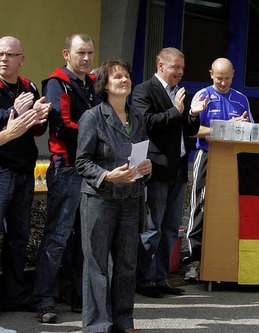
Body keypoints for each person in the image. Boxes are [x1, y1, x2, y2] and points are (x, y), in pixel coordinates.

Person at [76, 59, 152, 333]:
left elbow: (143, 157)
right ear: (104, 85)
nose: (124, 80)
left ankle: (123, 320)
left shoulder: (138, 118)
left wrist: (147, 167)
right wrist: (108, 175)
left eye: (127, 76)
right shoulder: (93, 117)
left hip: (131, 198)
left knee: (127, 262)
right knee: (97, 263)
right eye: (117, 77)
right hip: (100, 199)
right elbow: (82, 162)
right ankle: (98, 324)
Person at [34, 33, 100, 323]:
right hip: (67, 167)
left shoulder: (93, 83)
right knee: (58, 237)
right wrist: (98, 134)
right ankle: (44, 300)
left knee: (84, 239)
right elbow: (61, 126)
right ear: (66, 54)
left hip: (90, 169)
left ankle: (77, 296)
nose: (86, 58)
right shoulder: (56, 82)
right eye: (80, 53)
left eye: (90, 53)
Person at [133, 47, 200, 298]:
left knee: (171, 228)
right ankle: (145, 280)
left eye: (182, 68)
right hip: (156, 169)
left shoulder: (179, 93)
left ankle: (161, 278)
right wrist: (175, 111)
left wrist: (191, 113)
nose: (180, 73)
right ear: (161, 66)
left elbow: (189, 129)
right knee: (153, 228)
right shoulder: (144, 90)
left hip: (178, 169)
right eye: (176, 68)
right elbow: (145, 123)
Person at [183, 58, 252, 281]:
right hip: (207, 155)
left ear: (234, 75)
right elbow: (193, 131)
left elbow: (250, 129)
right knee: (199, 206)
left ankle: (222, 259)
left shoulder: (241, 99)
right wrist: (222, 128)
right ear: (211, 74)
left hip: (231, 158)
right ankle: (194, 260)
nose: (223, 83)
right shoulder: (202, 96)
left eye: (228, 78)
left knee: (228, 208)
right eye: (219, 78)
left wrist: (243, 127)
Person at [0, 36, 51, 311]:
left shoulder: (28, 86)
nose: (3, 59)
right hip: (2, 169)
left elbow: (36, 131)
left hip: (23, 169)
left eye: (9, 54)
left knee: (19, 237)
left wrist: (40, 116)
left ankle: (15, 294)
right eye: (0, 54)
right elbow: (8, 119)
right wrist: (12, 111)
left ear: (21, 59)